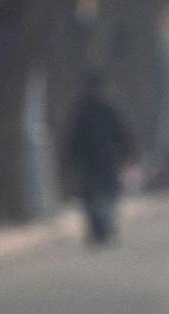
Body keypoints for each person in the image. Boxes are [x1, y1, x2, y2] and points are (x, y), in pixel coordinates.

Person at [68, 71, 134, 246]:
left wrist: (72, 160)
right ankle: (108, 225)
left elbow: (73, 139)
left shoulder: (81, 110)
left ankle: (96, 230)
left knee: (90, 196)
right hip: (108, 158)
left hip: (89, 161)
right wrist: (126, 155)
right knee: (110, 193)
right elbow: (123, 134)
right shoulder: (109, 107)